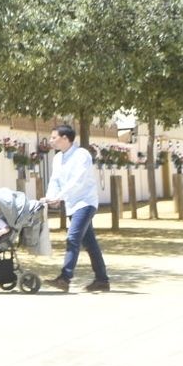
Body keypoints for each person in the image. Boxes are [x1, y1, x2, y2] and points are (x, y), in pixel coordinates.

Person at [42, 124, 109, 293]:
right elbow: (55, 180)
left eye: (54, 137)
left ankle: (65, 278)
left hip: (85, 203)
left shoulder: (82, 155)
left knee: (72, 238)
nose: (51, 141)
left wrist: (60, 196)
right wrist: (51, 197)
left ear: (65, 138)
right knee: (90, 244)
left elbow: (77, 181)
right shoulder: (57, 158)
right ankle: (102, 280)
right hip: (72, 204)